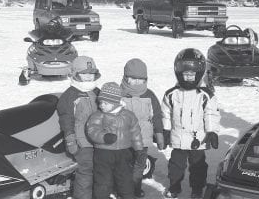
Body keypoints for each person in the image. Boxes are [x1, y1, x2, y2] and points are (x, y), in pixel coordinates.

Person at [161, 48, 220, 199]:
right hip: (178, 138)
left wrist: (212, 131)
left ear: (199, 74)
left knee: (198, 166)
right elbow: (166, 114)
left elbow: (211, 114)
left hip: (198, 139)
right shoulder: (172, 94)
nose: (188, 78)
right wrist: (166, 131)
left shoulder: (205, 95)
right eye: (185, 75)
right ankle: (174, 186)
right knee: (175, 166)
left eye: (191, 75)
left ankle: (197, 189)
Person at [86, 82, 144, 199]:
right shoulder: (98, 115)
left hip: (124, 153)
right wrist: (104, 137)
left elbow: (135, 133)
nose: (102, 105)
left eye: (105, 103)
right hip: (103, 153)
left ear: (115, 102)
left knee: (125, 180)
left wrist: (139, 149)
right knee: (103, 181)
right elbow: (92, 130)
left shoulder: (128, 115)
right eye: (101, 102)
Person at [57, 56, 101, 199]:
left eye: (91, 73)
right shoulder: (70, 95)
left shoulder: (97, 92)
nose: (89, 77)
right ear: (75, 73)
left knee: (101, 170)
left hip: (100, 141)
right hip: (83, 143)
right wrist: (70, 139)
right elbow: (66, 118)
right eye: (84, 73)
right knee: (86, 172)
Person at [120, 58, 164, 197]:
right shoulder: (119, 94)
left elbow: (156, 115)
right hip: (123, 140)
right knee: (124, 166)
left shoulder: (149, 95)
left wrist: (160, 134)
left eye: (141, 79)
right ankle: (123, 190)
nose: (137, 82)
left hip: (143, 140)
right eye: (133, 78)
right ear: (126, 77)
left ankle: (135, 188)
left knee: (139, 166)